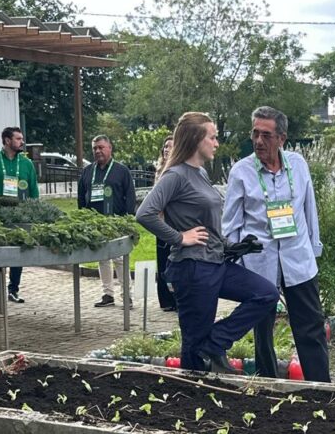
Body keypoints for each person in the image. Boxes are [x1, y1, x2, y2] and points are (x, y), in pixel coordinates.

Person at [136, 112, 278, 372]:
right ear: (195, 139)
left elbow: (206, 219)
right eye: (212, 137)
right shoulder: (175, 176)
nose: (216, 143)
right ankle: (189, 399)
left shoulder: (199, 173)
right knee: (193, 348)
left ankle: (215, 343)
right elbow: (144, 213)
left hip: (215, 263)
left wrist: (230, 245)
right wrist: (179, 237)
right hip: (192, 269)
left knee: (266, 293)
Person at [223, 105, 329, 382]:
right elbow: (231, 223)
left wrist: (313, 249)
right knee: (263, 329)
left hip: (298, 258)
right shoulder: (241, 171)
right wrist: (237, 258)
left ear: (282, 138)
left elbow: (309, 210)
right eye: (255, 133)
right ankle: (267, 384)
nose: (259, 141)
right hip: (260, 261)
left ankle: (321, 388)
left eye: (266, 135)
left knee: (311, 326)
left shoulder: (298, 164)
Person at [0, 126, 39, 306]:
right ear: (6, 140)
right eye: (18, 139)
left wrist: (34, 212)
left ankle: (13, 290)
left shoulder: (27, 164)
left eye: (22, 138)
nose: (22, 142)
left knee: (17, 252)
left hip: (20, 216)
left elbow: (34, 191)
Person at [77, 134, 136, 308]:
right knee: (102, 259)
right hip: (96, 224)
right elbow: (81, 197)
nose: (97, 151)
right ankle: (107, 294)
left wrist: (127, 220)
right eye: (95, 148)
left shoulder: (121, 170)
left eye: (101, 147)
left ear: (110, 148)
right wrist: (84, 218)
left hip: (117, 222)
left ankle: (127, 295)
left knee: (119, 259)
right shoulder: (88, 172)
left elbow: (130, 196)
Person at [154, 133, 177, 312]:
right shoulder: (160, 171)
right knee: (162, 262)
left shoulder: (178, 170)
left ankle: (177, 297)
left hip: (175, 223)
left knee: (173, 261)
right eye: (165, 147)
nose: (167, 150)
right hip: (160, 223)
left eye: (171, 146)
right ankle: (165, 299)